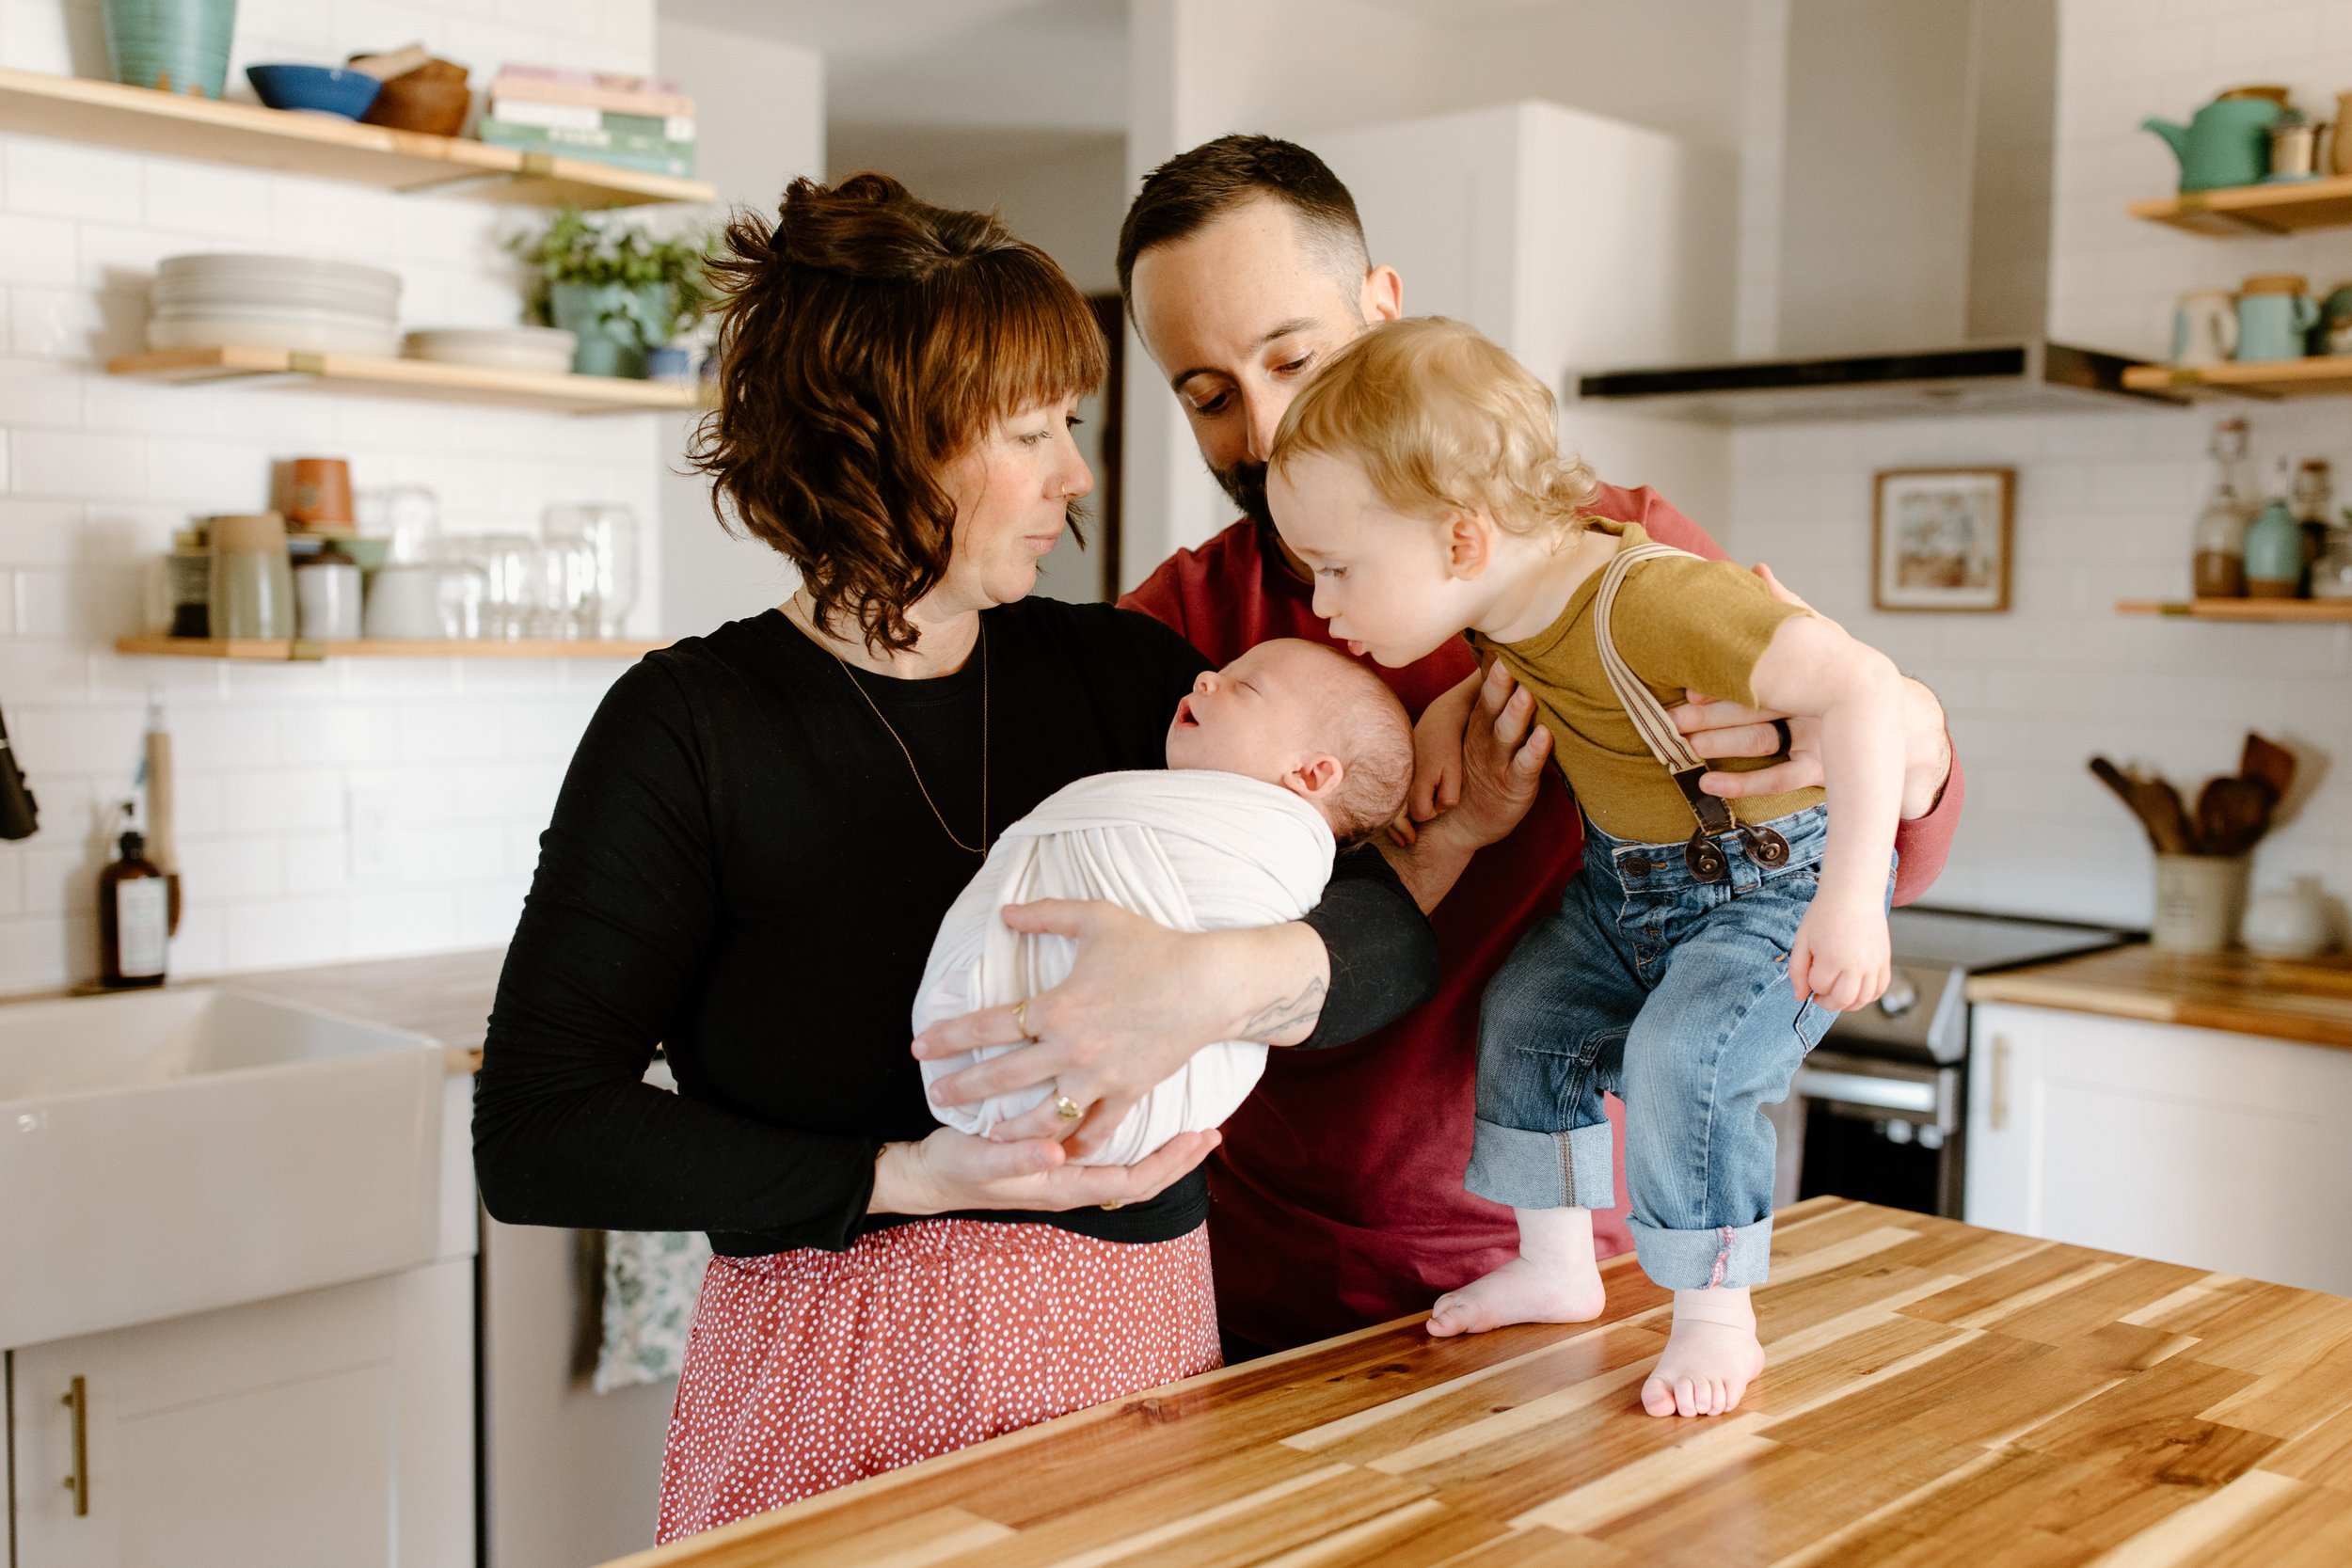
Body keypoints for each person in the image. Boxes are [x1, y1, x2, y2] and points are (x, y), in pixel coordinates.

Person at [470, 175, 1440, 1540]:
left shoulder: (1133, 679)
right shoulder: (690, 727)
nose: (1077, 475)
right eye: (1033, 431)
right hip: (832, 1388)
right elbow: (534, 1131)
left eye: (1075, 425)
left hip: (1131, 1370)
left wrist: (1225, 977)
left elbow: (1391, 933)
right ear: (883, 444)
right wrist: (907, 1175)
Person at [1094, 134, 1968, 1360]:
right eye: (1207, 392)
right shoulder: (1175, 632)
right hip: (1257, 1267)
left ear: (1381, 309)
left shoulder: (1613, 557)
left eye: (1294, 355)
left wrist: (1905, 731)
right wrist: (1434, 828)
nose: (1270, 421)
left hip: (1564, 1259)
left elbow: (1894, 843)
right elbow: (1138, 956)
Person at [1270, 315, 1907, 1418]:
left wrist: (1852, 898)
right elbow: (1530, 673)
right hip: (1630, 887)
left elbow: (1863, 689)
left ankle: (1717, 1316)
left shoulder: (1656, 597)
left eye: (1335, 570)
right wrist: (1441, 724)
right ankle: (1559, 1265)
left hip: (1766, 883)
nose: (1321, 605)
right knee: (1526, 1014)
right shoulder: (1502, 601)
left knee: (1682, 1060)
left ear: (1462, 540)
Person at [915, 639, 1413, 1165]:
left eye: (1243, 685)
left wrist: (1199, 984)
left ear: (1312, 775)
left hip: (1140, 1104)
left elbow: (1402, 947)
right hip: (1020, 1108)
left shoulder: (1282, 846)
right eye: (1222, 670)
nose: (1204, 677)